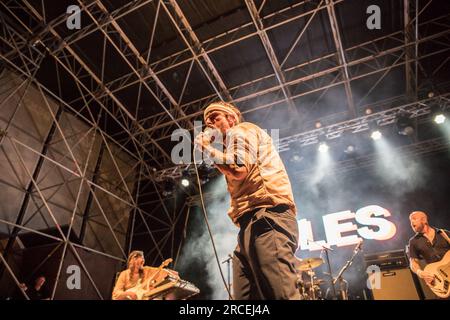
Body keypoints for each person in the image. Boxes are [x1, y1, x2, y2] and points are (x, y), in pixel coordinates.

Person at [195, 101, 300, 300]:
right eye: (206, 121)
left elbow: (238, 169)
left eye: (215, 118)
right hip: (250, 223)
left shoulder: (242, 130)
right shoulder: (229, 146)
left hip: (268, 217)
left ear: (231, 119)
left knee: (281, 295)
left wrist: (207, 149)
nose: (209, 124)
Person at [112, 250, 178, 300]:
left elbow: (159, 271)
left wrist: (170, 273)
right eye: (139, 262)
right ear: (132, 261)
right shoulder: (124, 274)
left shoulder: (146, 270)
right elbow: (116, 293)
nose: (142, 263)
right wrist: (128, 293)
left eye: (143, 261)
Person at [408, 211, 450, 286]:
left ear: (424, 220)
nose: (411, 222)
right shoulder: (413, 241)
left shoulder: (444, 233)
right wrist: (420, 272)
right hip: (438, 279)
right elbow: (413, 262)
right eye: (410, 221)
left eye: (414, 219)